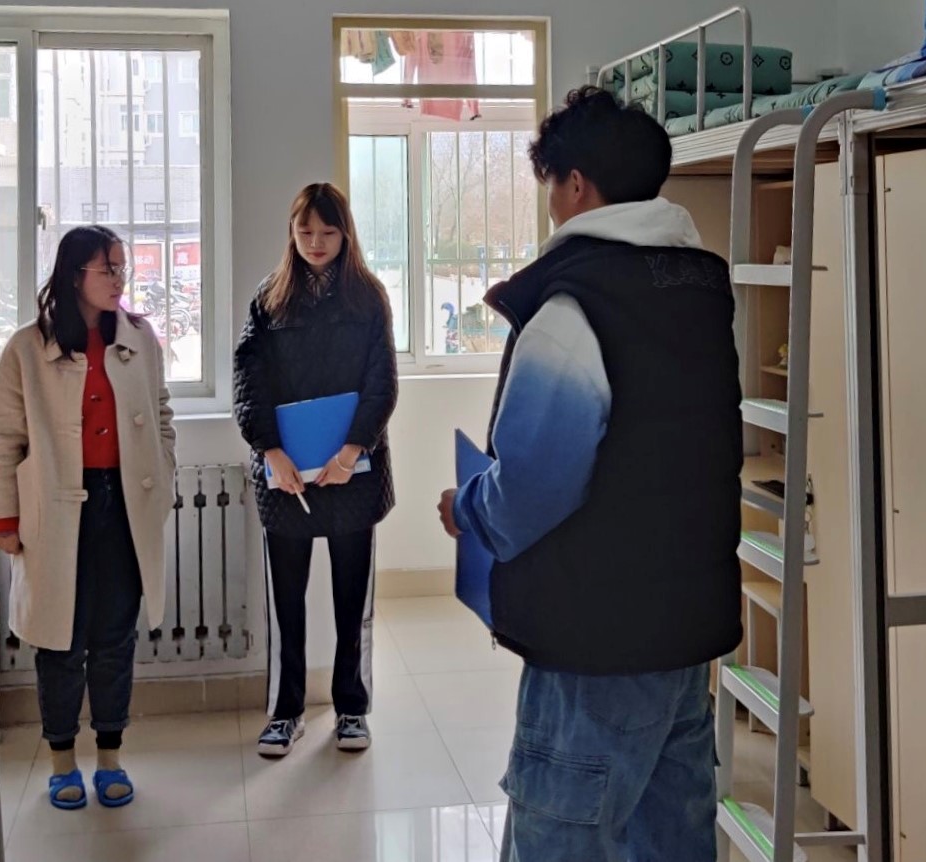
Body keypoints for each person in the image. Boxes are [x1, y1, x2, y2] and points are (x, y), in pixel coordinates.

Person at [437, 86, 743, 861]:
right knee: (670, 839)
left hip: (595, 635)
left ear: (574, 184)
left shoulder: (574, 305)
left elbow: (531, 489)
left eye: (549, 184)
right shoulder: (697, 288)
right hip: (683, 631)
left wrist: (468, 508)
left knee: (560, 838)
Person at [0, 225, 177, 811]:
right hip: (55, 506)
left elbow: (162, 414)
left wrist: (164, 472)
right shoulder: (26, 348)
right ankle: (62, 761)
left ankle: (111, 757)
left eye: (122, 267)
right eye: (107, 269)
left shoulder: (140, 338)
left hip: (125, 505)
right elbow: (4, 440)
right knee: (59, 639)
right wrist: (4, 518)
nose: (119, 279)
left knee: (116, 636)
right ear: (74, 276)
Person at [234, 183, 398, 757]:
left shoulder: (369, 297)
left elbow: (382, 383)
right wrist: (270, 450)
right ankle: (286, 713)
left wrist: (352, 452)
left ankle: (352, 708)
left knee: (353, 601)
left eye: (328, 232)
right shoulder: (270, 296)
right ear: (292, 232)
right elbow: (248, 381)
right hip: (285, 477)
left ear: (346, 233)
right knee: (287, 604)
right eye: (305, 232)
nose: (316, 243)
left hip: (353, 471)